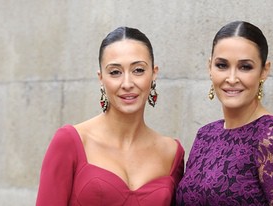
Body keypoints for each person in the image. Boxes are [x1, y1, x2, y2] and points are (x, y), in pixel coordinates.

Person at [36, 26, 184, 206]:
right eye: (115, 72)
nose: (127, 83)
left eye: (138, 70)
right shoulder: (70, 141)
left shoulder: (171, 152)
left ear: (154, 73)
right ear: (101, 78)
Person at [176, 21, 273, 205]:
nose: (231, 79)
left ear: (264, 71)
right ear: (209, 68)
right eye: (222, 65)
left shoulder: (272, 136)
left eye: (245, 67)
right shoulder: (205, 135)